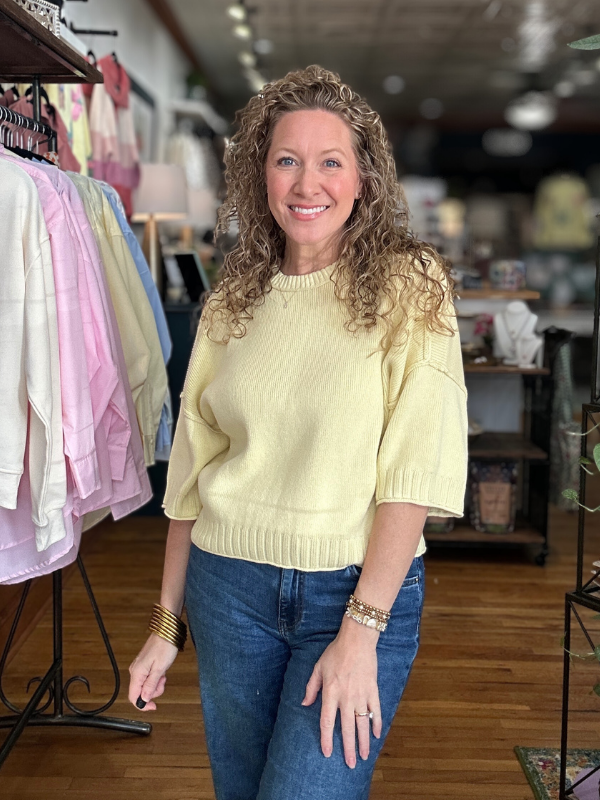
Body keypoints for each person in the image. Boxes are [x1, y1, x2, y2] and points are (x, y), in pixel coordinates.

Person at [128, 65, 468, 800]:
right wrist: (165, 622)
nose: (306, 184)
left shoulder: (414, 286)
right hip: (227, 590)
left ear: (363, 179)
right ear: (262, 175)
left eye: (329, 161)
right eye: (286, 160)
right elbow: (191, 475)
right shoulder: (233, 301)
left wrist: (361, 631)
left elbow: (415, 470)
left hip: (353, 596)